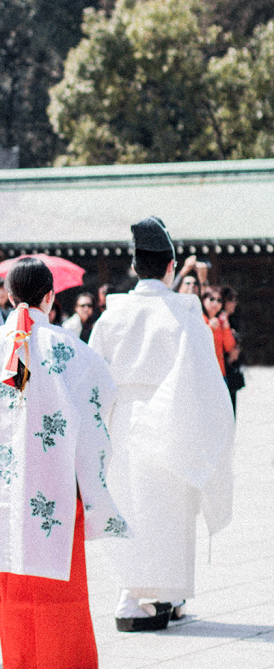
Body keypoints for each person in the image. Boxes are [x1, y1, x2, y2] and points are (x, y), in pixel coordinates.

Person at [0, 257, 129, 669]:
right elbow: (104, 398)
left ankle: (18, 663)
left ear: (10, 295)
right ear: (50, 297)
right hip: (52, 478)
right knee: (53, 568)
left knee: (11, 570)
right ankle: (54, 657)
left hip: (2, 479)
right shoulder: (68, 344)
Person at [89, 217, 235, 631]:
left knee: (130, 505)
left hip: (122, 421)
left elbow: (94, 380)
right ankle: (161, 594)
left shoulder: (111, 317)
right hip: (174, 414)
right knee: (170, 509)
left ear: (136, 267)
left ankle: (134, 595)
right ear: (172, 266)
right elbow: (205, 380)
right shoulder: (185, 313)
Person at [201, 287, 238, 379]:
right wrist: (209, 328)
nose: (215, 303)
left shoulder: (220, 321)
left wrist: (225, 327)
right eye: (211, 299)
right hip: (204, 373)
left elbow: (229, 347)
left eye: (219, 300)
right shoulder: (199, 318)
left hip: (220, 373)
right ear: (203, 300)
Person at [221, 286, 245, 414]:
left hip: (232, 370)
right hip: (224, 369)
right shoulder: (221, 320)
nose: (234, 304)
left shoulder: (232, 319)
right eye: (231, 300)